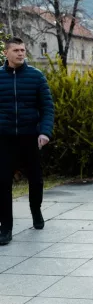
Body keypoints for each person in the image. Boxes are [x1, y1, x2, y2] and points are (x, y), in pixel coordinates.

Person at [0, 37, 54, 245]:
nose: (21, 53)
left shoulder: (36, 76)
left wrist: (45, 132)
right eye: (16, 50)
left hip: (30, 136)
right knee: (2, 181)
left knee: (36, 180)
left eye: (23, 50)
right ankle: (6, 228)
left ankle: (36, 210)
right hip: (4, 138)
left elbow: (47, 107)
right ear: (6, 53)